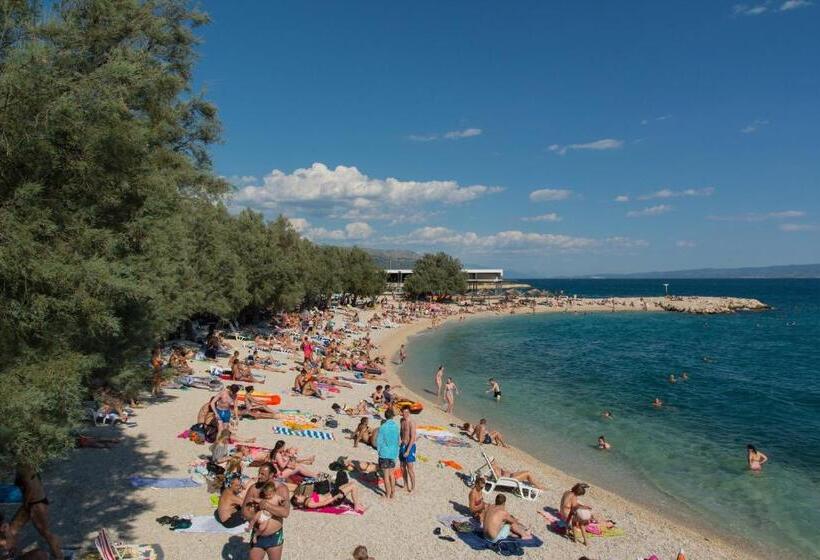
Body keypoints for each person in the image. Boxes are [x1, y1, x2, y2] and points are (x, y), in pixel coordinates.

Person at [7, 465, 62, 559]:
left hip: (35, 503)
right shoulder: (22, 466)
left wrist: (26, 503)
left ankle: (59, 556)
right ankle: (14, 554)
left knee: (45, 533)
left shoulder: (25, 468)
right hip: (30, 503)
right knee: (11, 530)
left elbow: (29, 486)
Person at [248, 482, 289, 560]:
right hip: (258, 535)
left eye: (262, 473)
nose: (259, 476)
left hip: (274, 536)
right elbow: (245, 512)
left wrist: (267, 506)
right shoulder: (254, 488)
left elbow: (285, 513)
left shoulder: (282, 490)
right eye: (259, 472)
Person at [291, 481, 366, 513]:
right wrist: (336, 496)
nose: (299, 495)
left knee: (351, 483)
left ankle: (356, 503)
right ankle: (356, 506)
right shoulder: (309, 503)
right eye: (298, 496)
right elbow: (324, 503)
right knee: (353, 486)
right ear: (298, 501)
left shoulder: (307, 498)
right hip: (333, 499)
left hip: (331, 494)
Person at [376, 407, 400, 499]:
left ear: (385, 416)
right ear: (393, 416)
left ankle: (388, 494)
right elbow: (398, 440)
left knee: (386, 475)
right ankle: (393, 492)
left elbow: (379, 441)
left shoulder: (383, 427)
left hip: (385, 453)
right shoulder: (396, 427)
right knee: (391, 474)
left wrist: (379, 451)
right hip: (393, 453)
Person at [399, 407, 417, 493]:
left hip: (410, 446)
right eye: (403, 412)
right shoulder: (401, 421)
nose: (405, 414)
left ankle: (413, 487)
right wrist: (399, 441)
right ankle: (405, 484)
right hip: (402, 445)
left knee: (410, 468)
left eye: (406, 412)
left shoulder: (411, 423)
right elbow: (401, 432)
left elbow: (413, 438)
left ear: (409, 413)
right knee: (402, 467)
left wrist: (408, 451)